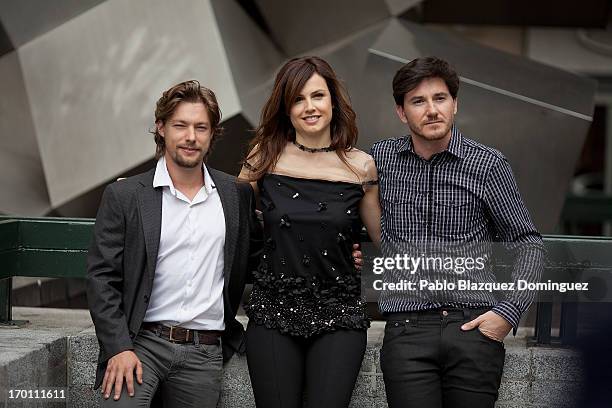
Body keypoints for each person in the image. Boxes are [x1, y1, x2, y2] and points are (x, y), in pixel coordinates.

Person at [371, 57, 544, 408]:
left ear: (455, 105)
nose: (431, 110)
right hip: (407, 328)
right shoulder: (379, 160)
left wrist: (508, 313)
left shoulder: (488, 164)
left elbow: (528, 243)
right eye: (418, 101)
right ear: (402, 113)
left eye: (440, 98)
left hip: (473, 328)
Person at [86, 80, 262, 407]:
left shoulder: (235, 195)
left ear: (213, 134)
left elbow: (259, 258)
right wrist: (119, 347)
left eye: (201, 127)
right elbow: (101, 278)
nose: (191, 136)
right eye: (180, 125)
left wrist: (341, 256)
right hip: (140, 345)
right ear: (161, 128)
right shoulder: (125, 196)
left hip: (204, 352)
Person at [239, 56, 382, 408]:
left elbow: (384, 240)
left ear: (333, 100)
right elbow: (228, 218)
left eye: (317, 96)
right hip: (272, 310)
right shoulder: (264, 157)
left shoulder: (360, 166)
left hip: (340, 314)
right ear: (286, 109)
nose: (309, 107)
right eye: (298, 99)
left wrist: (365, 255)